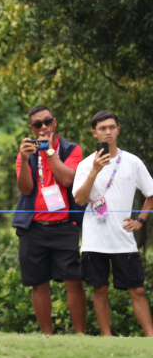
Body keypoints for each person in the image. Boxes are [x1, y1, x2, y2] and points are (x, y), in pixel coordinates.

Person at [73, 110, 153, 337]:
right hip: (94, 239)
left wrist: (140, 220)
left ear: (118, 130)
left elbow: (151, 193)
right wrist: (94, 171)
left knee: (137, 289)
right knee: (100, 289)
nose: (107, 132)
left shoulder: (132, 162)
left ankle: (150, 338)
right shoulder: (86, 164)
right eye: (102, 128)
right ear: (94, 133)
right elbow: (79, 200)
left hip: (123, 239)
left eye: (111, 127)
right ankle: (107, 339)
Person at [12, 105, 87, 335]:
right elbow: (25, 189)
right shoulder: (26, 152)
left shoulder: (72, 149)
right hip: (34, 227)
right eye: (38, 124)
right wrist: (25, 160)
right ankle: (47, 336)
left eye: (47, 122)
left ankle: (80, 336)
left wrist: (50, 152)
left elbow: (67, 180)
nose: (43, 127)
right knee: (39, 282)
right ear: (31, 129)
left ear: (55, 122)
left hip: (64, 226)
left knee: (73, 281)